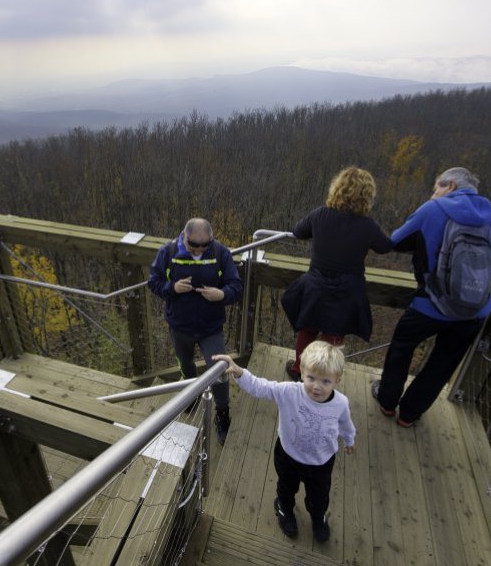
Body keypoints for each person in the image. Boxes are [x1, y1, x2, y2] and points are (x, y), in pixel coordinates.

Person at [373, 167, 491, 427]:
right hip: (473, 311)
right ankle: (409, 414)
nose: (433, 194)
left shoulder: (433, 210)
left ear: (450, 185)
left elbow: (394, 241)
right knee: (443, 363)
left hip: (429, 305)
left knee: (401, 349)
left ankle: (387, 401)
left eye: (435, 188)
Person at [215, 342, 355, 542]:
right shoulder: (290, 391)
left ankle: (318, 517)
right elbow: (261, 387)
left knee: (319, 496)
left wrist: (349, 439)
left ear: (337, 380)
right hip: (289, 455)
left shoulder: (340, 403)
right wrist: (239, 373)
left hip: (321, 462)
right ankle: (284, 508)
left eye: (325, 381)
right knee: (286, 487)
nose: (317, 386)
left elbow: (345, 423)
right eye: (311, 378)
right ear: (302, 372)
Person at [281, 166, 393, 381]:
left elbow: (297, 231)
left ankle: (299, 369)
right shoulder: (368, 226)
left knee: (308, 330)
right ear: (367, 196)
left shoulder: (320, 214)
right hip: (347, 291)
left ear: (337, 188)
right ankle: (324, 378)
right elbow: (384, 246)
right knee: (333, 337)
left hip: (316, 286)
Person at [148, 218, 243, 444]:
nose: (200, 250)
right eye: (194, 245)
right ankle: (191, 395)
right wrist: (172, 288)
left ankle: (222, 412)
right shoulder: (168, 252)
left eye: (204, 245)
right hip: (180, 326)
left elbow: (236, 286)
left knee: (219, 371)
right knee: (186, 364)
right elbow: (153, 282)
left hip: (211, 327)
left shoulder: (220, 253)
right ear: (184, 236)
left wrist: (222, 295)